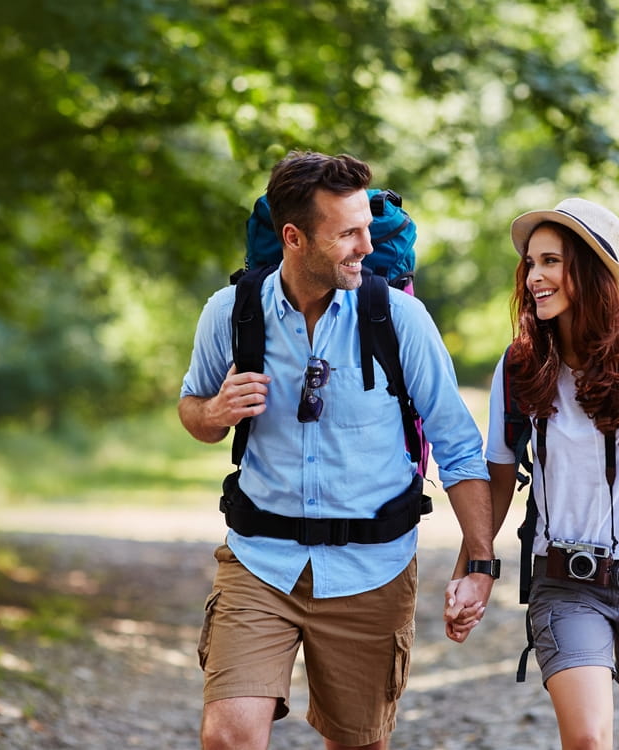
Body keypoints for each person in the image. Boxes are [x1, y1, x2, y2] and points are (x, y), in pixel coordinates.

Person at [178, 150, 500, 750]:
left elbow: (459, 448)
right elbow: (192, 409)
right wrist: (215, 412)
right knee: (227, 736)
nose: (365, 246)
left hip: (372, 571)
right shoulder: (232, 312)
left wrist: (479, 564)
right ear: (293, 237)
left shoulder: (398, 318)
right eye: (347, 233)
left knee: (357, 744)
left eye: (368, 230)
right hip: (260, 563)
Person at [447, 198, 619, 749]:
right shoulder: (521, 364)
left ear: (592, 271)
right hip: (565, 579)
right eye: (531, 263)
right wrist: (473, 568)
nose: (534, 276)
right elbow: (498, 474)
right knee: (588, 739)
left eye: (551, 261)